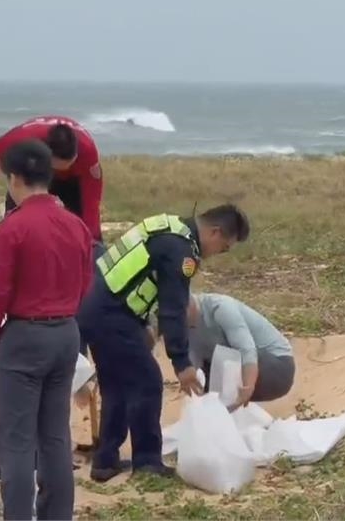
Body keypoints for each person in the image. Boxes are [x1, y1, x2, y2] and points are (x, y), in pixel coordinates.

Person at [78, 204, 251, 482]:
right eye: (225, 247)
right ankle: (147, 463)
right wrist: (182, 363)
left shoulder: (169, 226)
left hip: (96, 306)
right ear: (215, 232)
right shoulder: (183, 252)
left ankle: (105, 461)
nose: (219, 253)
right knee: (147, 382)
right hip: (112, 314)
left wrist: (143, 325)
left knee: (117, 385)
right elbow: (173, 308)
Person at [0, 139, 94, 521]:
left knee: (15, 442)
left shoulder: (13, 227)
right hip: (65, 332)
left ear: (13, 179)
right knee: (55, 435)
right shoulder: (75, 225)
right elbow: (84, 282)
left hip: (26, 335)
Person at [0, 115, 104, 243]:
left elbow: (91, 201)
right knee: (19, 219)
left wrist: (93, 238)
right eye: (59, 165)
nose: (65, 167)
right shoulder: (21, 138)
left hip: (72, 180)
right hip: (37, 172)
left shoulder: (88, 150)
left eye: (70, 163)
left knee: (79, 228)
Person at [187, 292, 295, 409]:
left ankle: (231, 406)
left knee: (225, 365)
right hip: (232, 362)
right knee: (209, 396)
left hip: (277, 365)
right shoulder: (179, 327)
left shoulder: (220, 307)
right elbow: (194, 364)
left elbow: (246, 349)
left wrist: (248, 386)